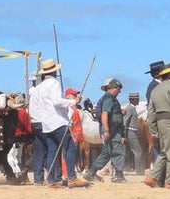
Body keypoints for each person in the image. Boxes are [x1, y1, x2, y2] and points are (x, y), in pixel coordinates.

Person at [29, 59, 88, 189]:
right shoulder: (54, 83)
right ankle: (72, 177)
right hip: (57, 122)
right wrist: (72, 102)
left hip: (46, 124)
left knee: (52, 151)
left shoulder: (38, 88)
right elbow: (56, 101)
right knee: (71, 146)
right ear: (54, 71)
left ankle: (51, 180)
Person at [83, 78, 127, 183]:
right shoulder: (109, 99)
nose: (119, 91)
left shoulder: (108, 99)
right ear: (112, 88)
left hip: (112, 129)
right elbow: (104, 114)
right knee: (118, 151)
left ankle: (91, 173)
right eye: (117, 88)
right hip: (112, 130)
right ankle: (119, 176)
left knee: (106, 152)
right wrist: (106, 130)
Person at [124, 92, 144, 173]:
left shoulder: (131, 108)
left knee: (128, 151)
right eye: (137, 98)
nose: (139, 100)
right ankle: (139, 171)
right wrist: (123, 134)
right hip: (131, 131)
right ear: (133, 99)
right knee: (138, 151)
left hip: (131, 131)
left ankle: (126, 168)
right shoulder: (130, 108)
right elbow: (125, 121)